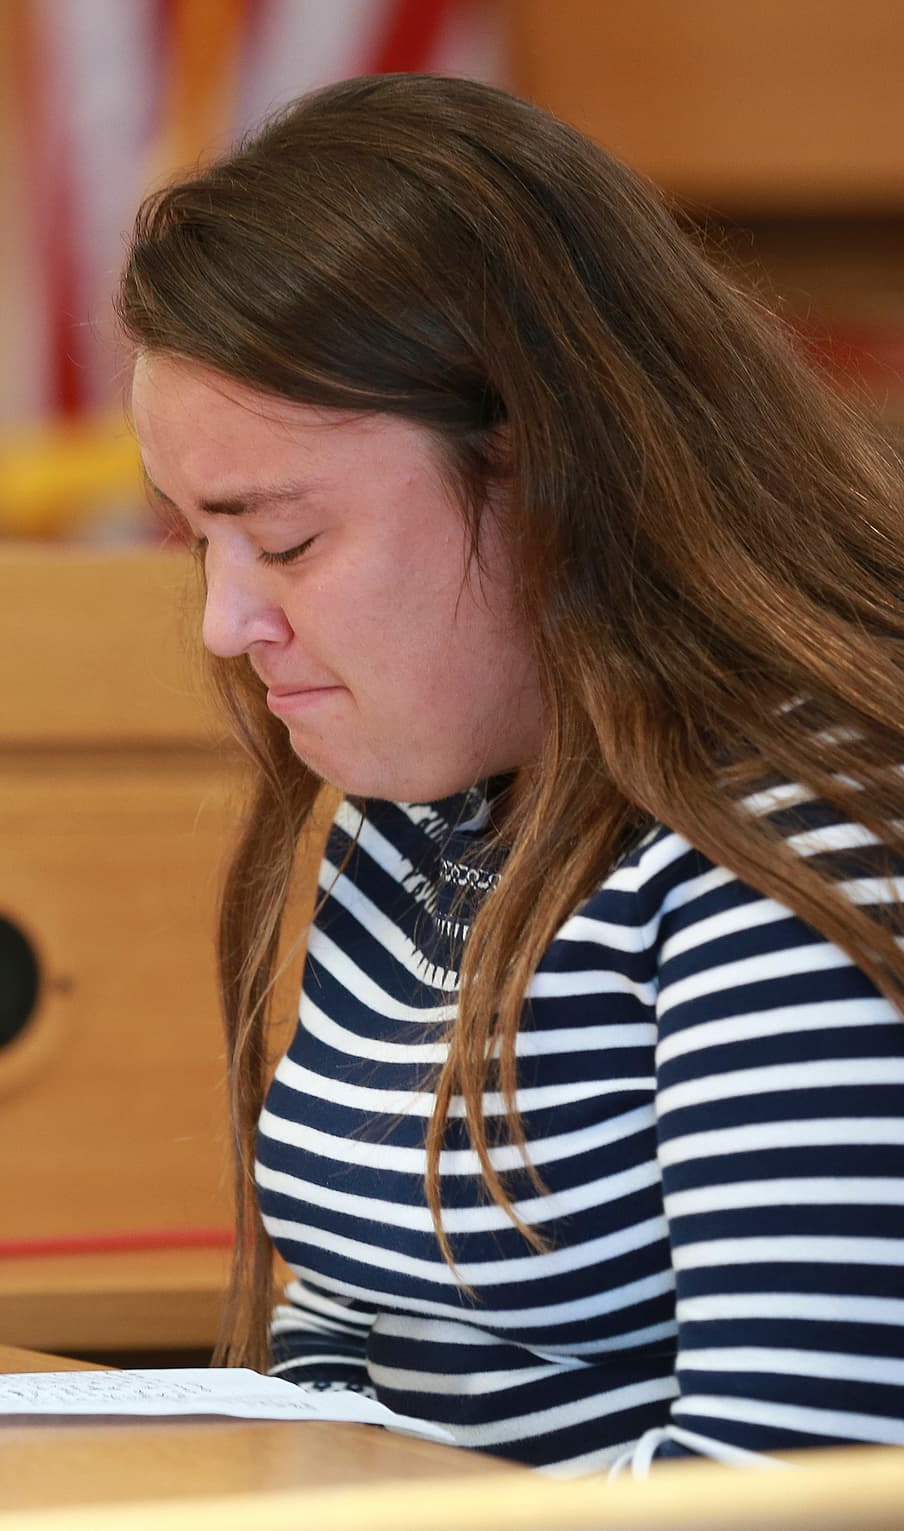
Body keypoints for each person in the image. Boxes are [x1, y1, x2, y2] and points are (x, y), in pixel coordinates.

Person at [116, 74, 904, 1477]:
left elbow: (801, 1481)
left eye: (285, 542)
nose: (228, 626)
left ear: (545, 475)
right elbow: (341, 1344)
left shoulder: (793, 841)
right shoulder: (419, 801)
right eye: (197, 542)